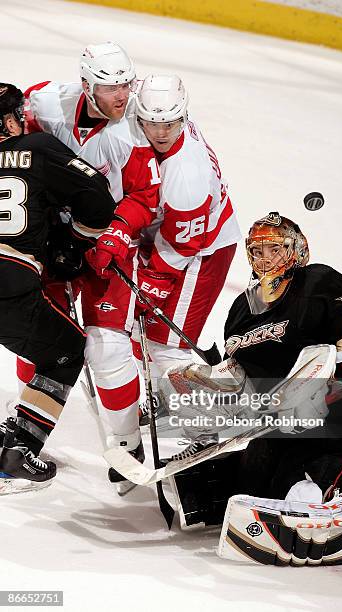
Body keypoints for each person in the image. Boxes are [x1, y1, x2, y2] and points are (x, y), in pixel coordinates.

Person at [162, 211, 342, 531]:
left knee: (300, 493)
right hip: (284, 423)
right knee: (252, 491)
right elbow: (245, 379)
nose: (265, 258)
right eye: (257, 251)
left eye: (275, 248)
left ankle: (319, 496)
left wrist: (328, 384)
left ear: (297, 249)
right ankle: (199, 486)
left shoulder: (318, 281)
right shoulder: (244, 308)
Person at [21, 43, 161, 491]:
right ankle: (26, 437)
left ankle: (127, 446)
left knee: (106, 349)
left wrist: (117, 235)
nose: (122, 94)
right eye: (110, 86)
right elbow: (17, 138)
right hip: (52, 244)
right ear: (86, 85)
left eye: (125, 83)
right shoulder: (46, 101)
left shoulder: (135, 131)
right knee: (39, 343)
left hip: (105, 248)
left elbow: (143, 198)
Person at [91, 74, 240, 452]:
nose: (160, 132)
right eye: (152, 123)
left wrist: (156, 281)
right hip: (166, 235)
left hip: (202, 250)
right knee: (151, 341)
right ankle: (167, 398)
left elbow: (183, 244)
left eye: (169, 124)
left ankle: (203, 433)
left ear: (183, 116)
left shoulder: (187, 174)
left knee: (165, 345)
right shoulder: (151, 102)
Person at [0, 83, 116, 489]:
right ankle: (17, 455)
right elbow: (99, 199)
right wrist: (75, 240)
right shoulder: (37, 147)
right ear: (8, 122)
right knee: (65, 351)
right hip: (8, 281)